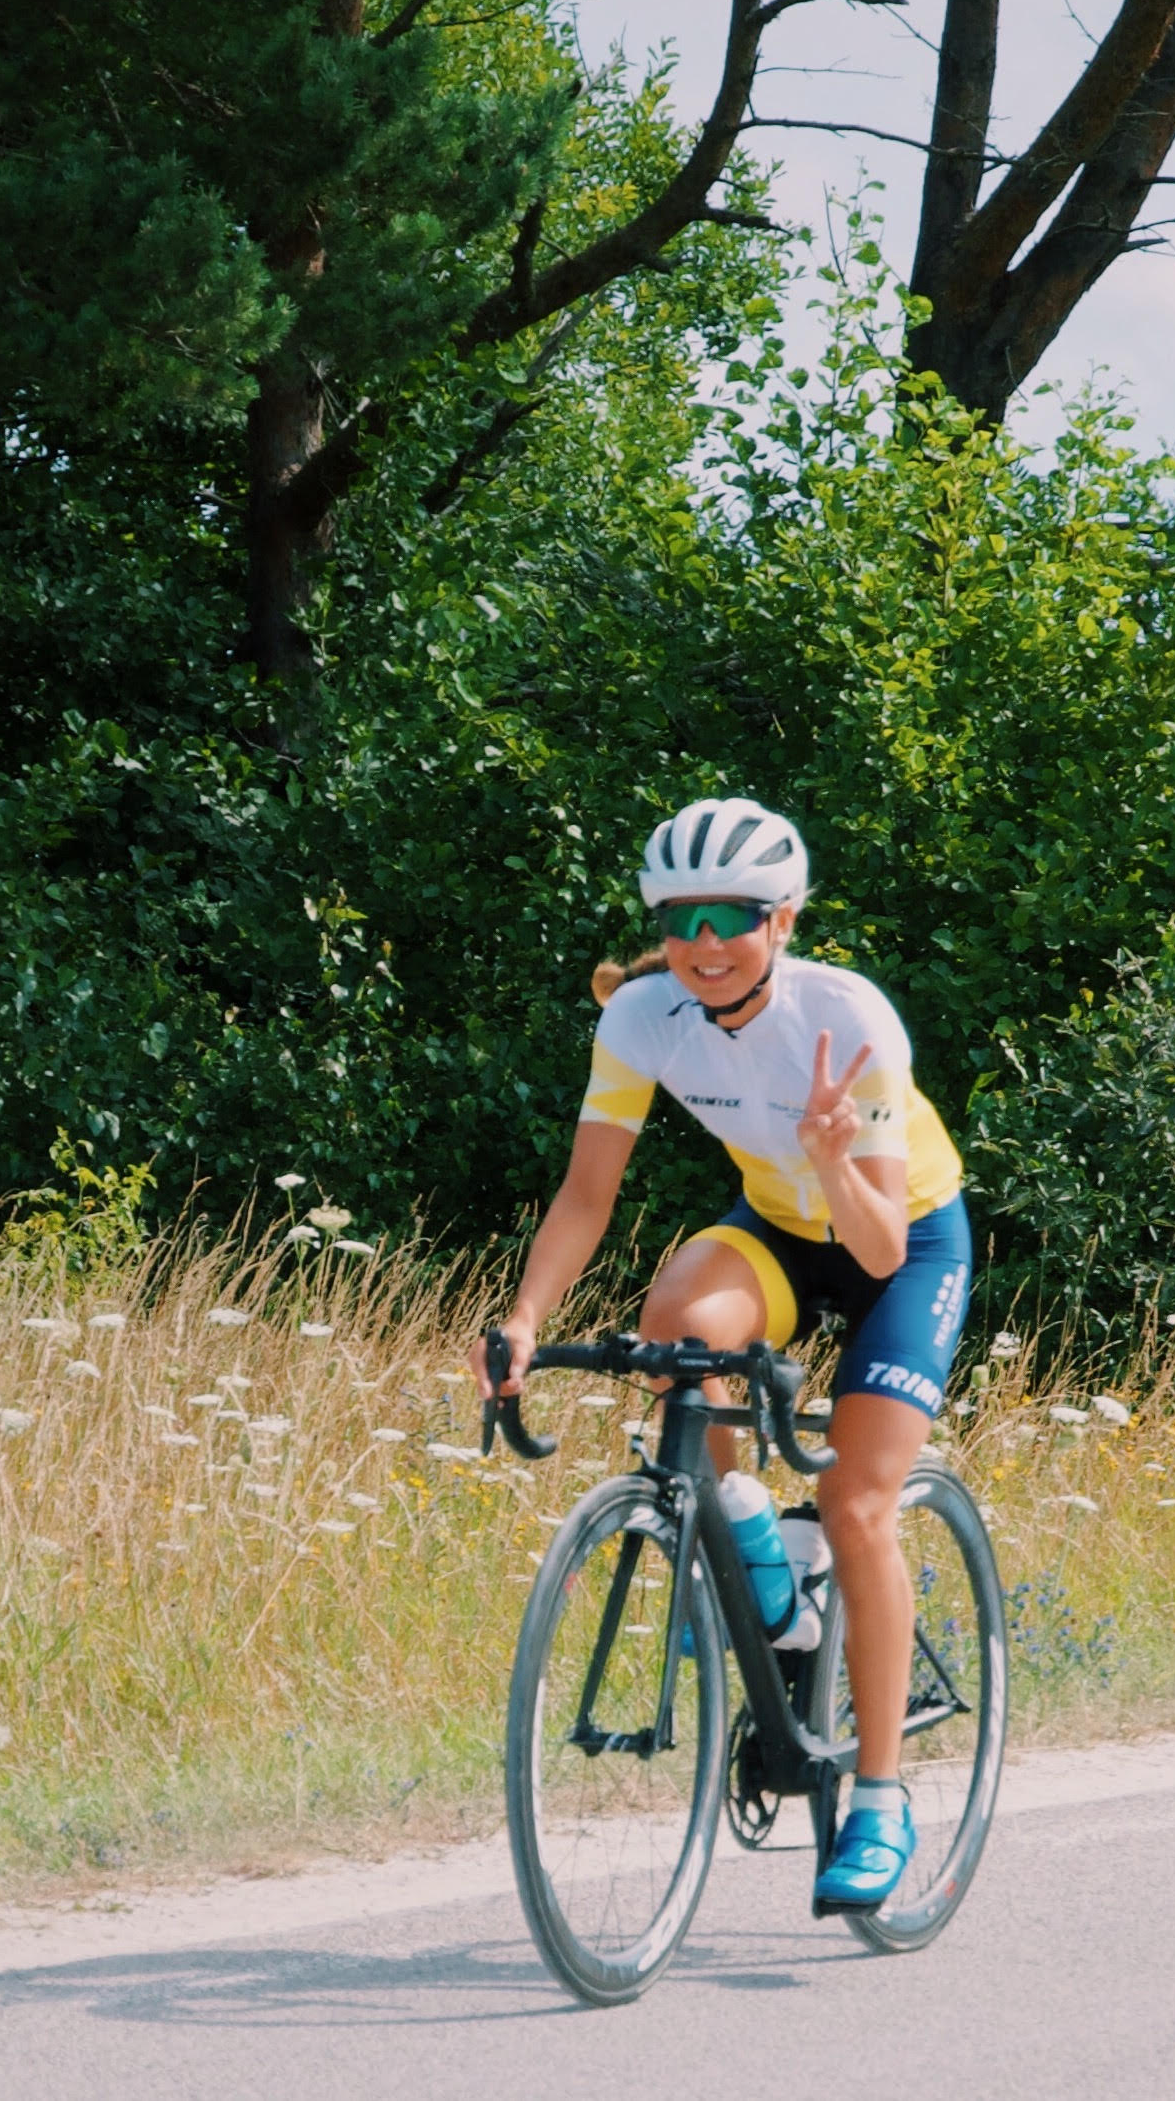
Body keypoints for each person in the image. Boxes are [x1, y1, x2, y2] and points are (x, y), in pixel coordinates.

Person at [470, 796, 971, 1911]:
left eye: (731, 916)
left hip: (902, 1239)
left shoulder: (847, 1017)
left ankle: (880, 1800)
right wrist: (523, 1320)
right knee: (672, 1341)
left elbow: (882, 1243)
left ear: (781, 920)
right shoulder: (641, 1017)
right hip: (780, 1235)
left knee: (855, 1504)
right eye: (681, 915)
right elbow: (586, 1193)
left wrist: (830, 1156)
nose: (703, 941)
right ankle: (763, 1567)